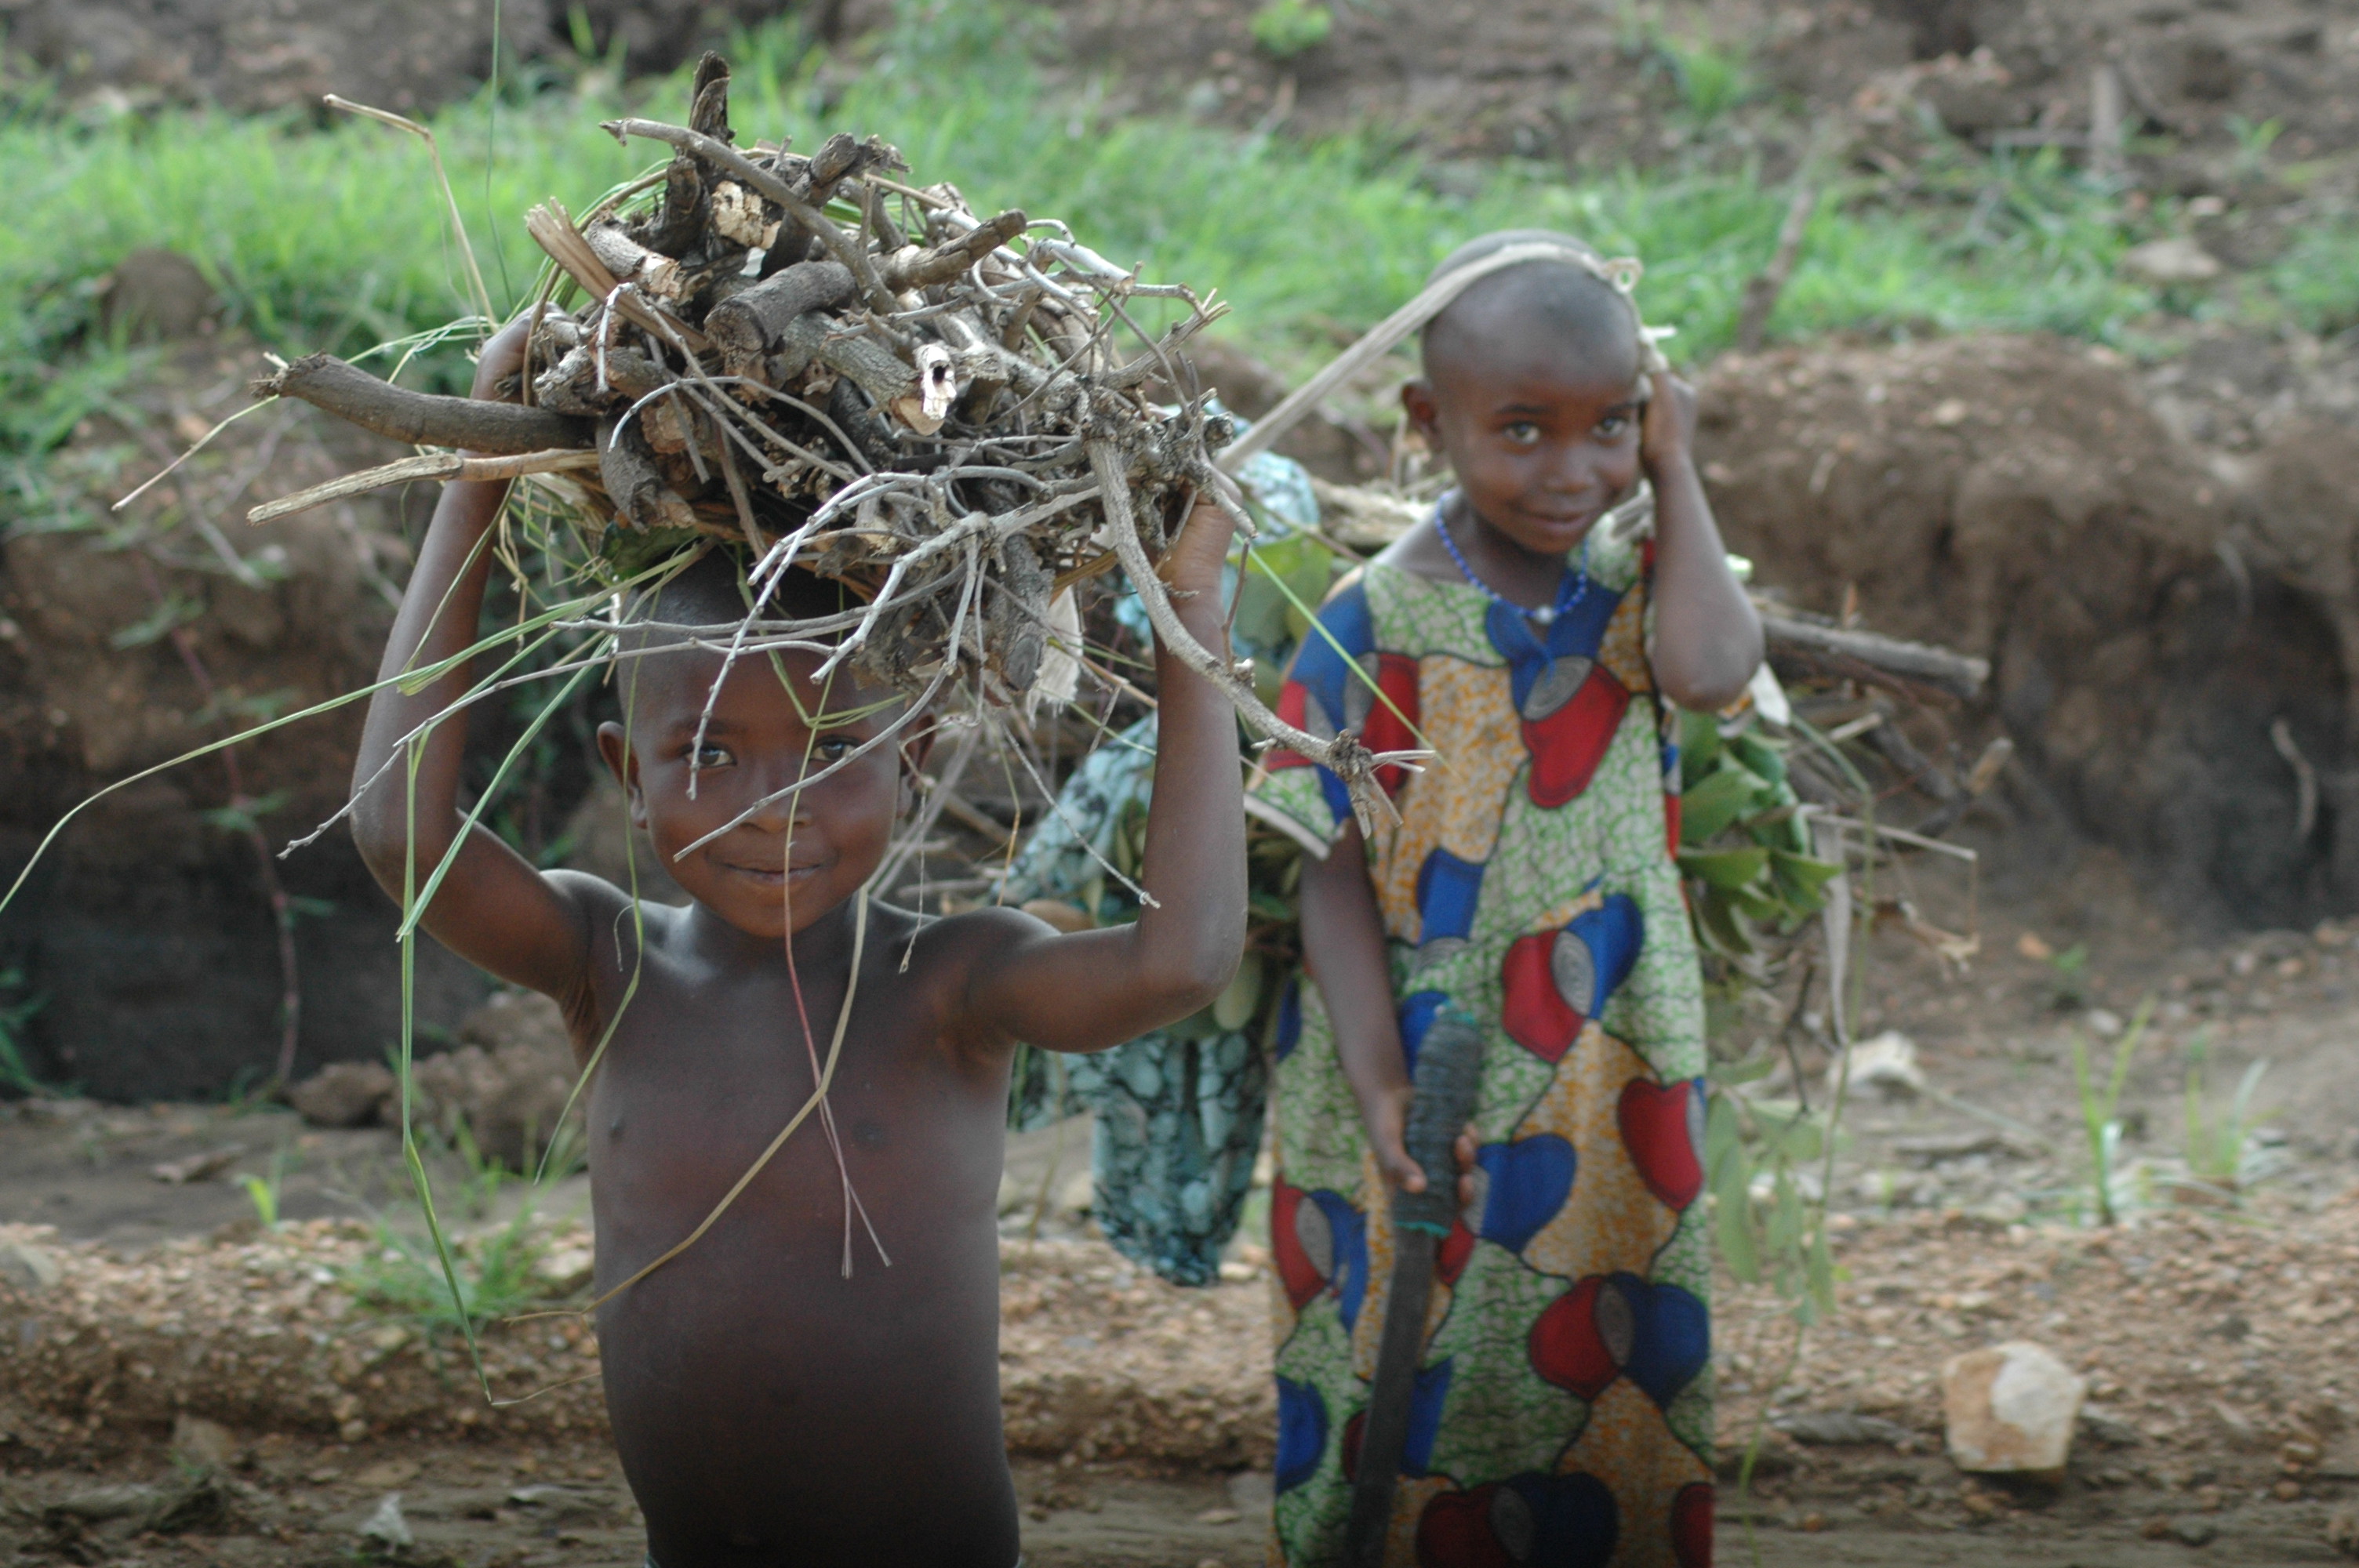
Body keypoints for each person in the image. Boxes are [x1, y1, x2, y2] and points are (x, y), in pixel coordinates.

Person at [347, 315, 1248, 1567]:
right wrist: (472, 488)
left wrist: (1190, 611)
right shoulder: (608, 964)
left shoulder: (953, 987)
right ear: (624, 769)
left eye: (832, 754)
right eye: (707, 754)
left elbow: (1181, 963)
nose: (776, 807)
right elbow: (403, 834)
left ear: (913, 756)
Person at [1249, 230, 1762, 1566]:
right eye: (1522, 430)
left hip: (1611, 1059)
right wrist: (1378, 1087)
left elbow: (1713, 673)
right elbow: (1331, 869)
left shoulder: (1638, 588)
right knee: (1412, 1354)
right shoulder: (1370, 618)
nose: (1571, 471)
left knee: (1612, 1348)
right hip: (1423, 1052)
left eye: (1610, 430)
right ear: (1430, 423)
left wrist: (1678, 467)